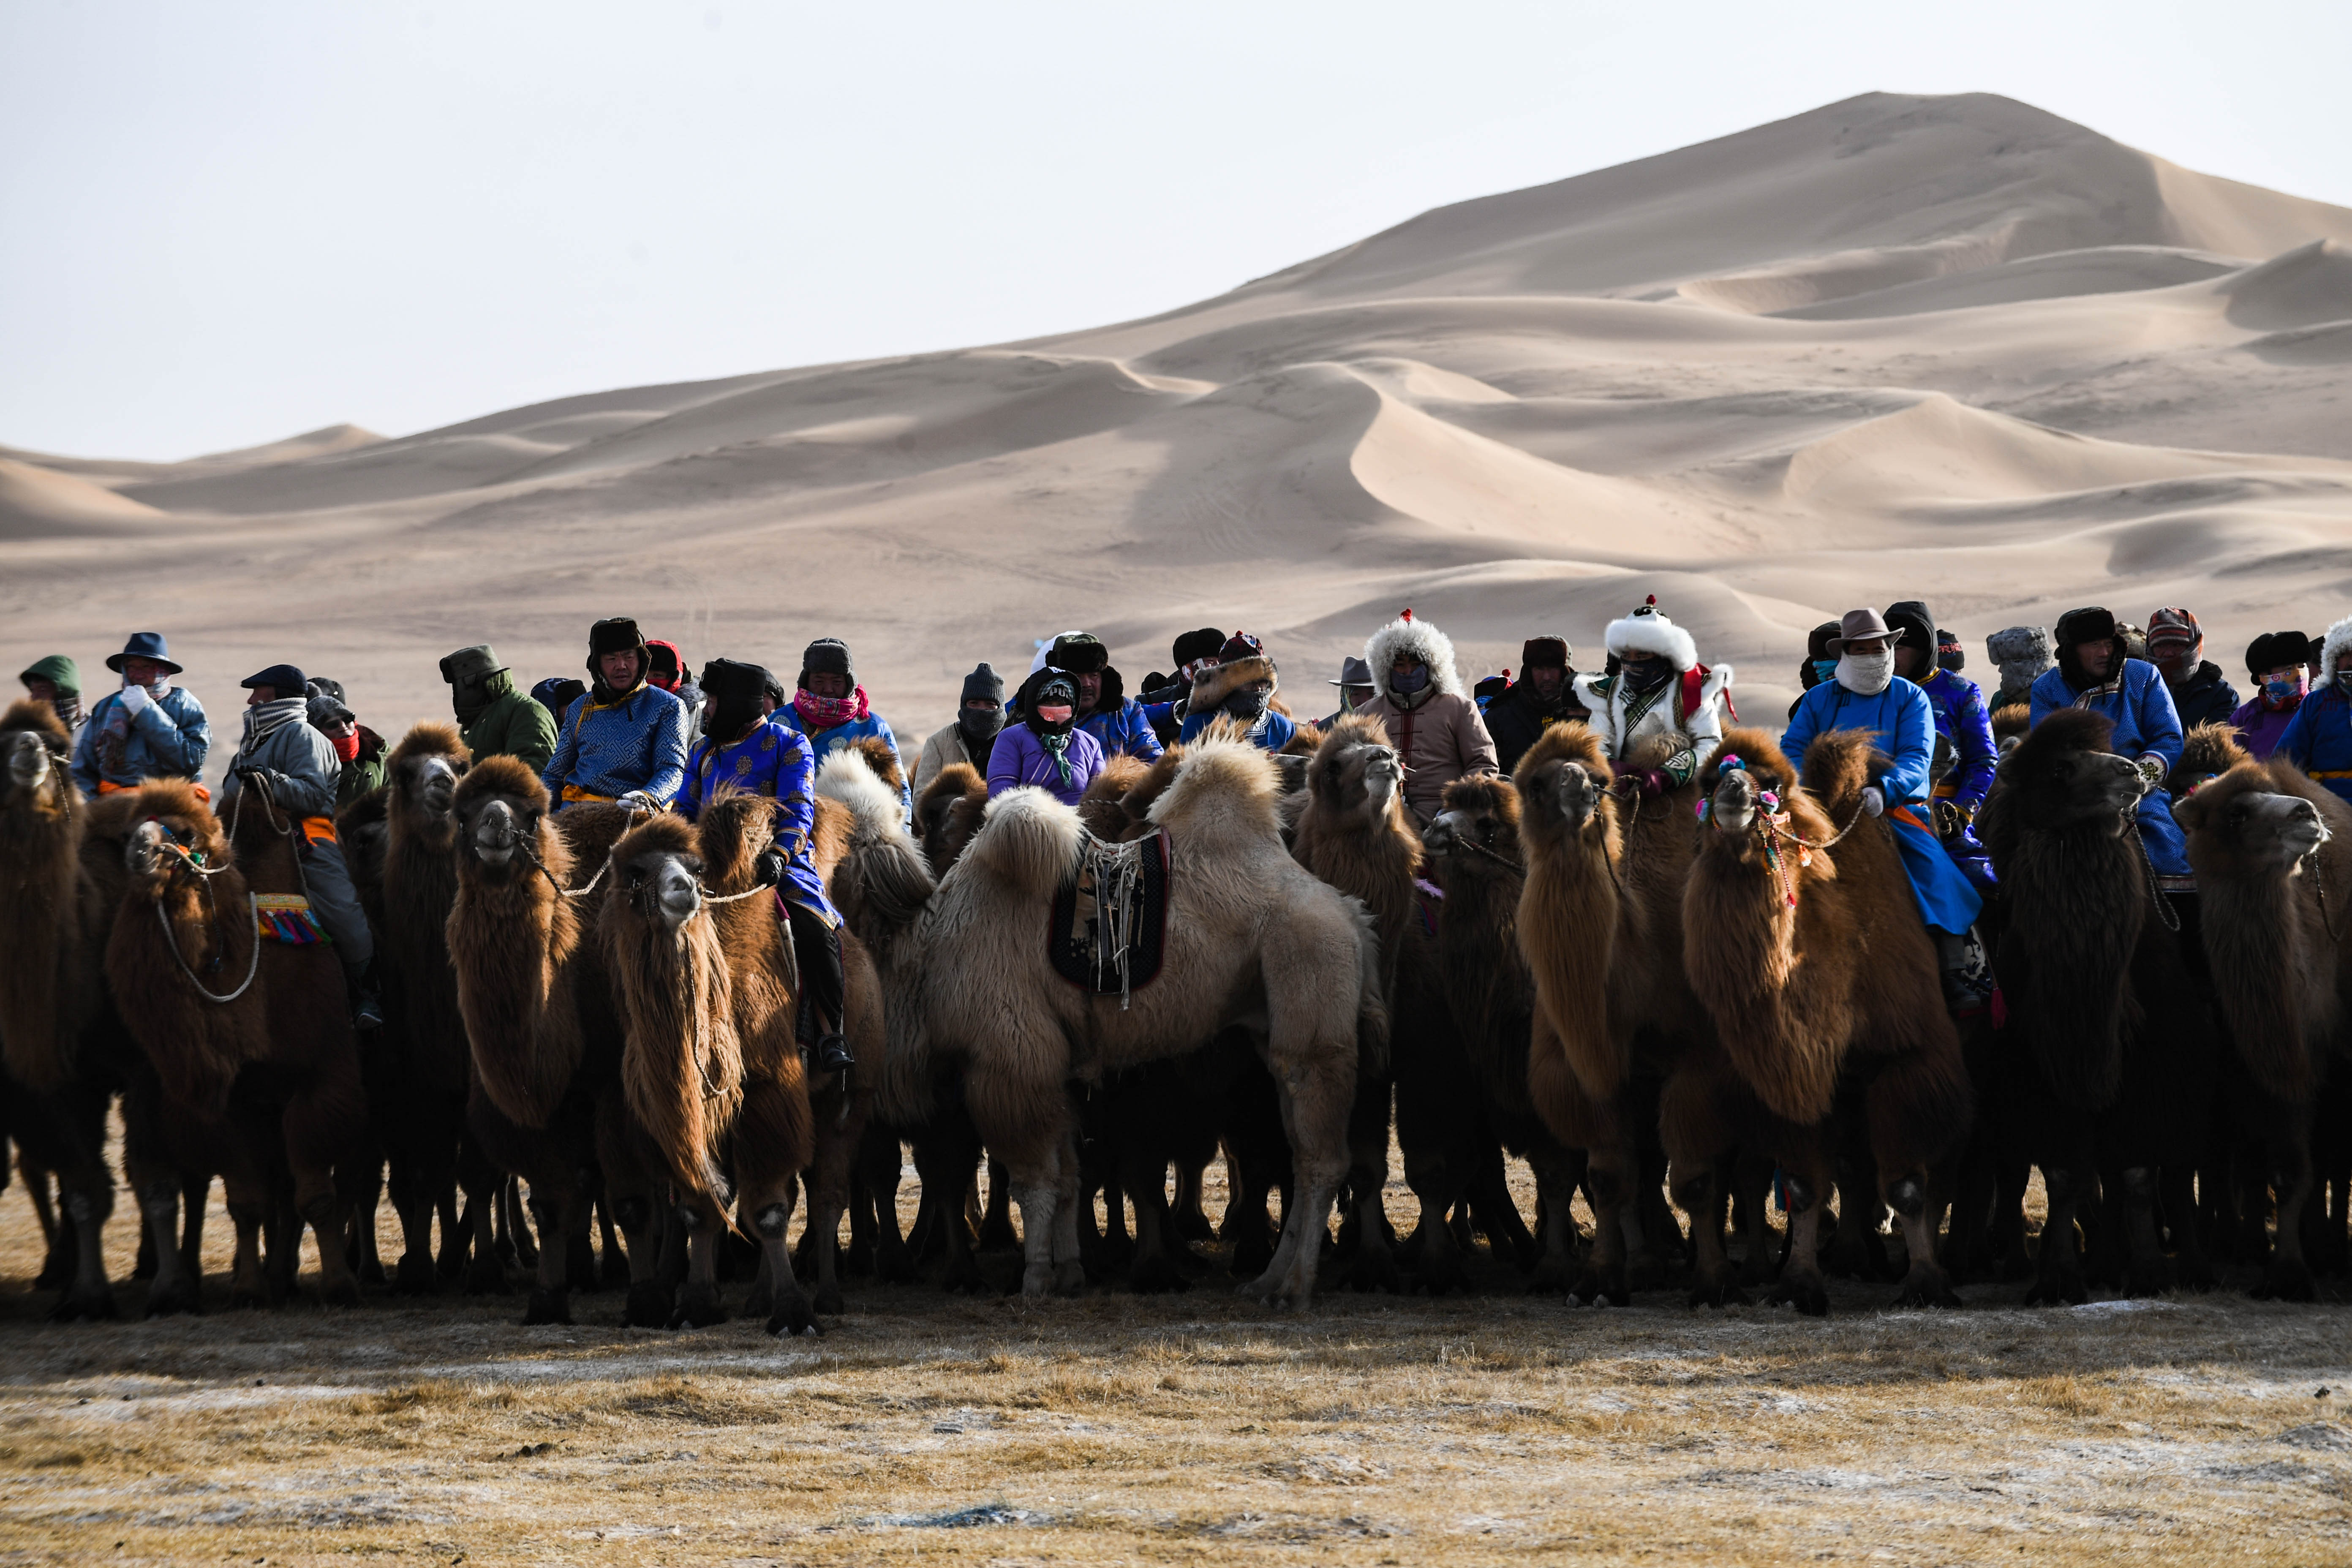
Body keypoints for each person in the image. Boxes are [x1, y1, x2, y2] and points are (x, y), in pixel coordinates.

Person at [1784, 610, 1986, 1009]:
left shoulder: (1910, 699)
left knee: (1934, 871)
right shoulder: (1817, 700)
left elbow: (1917, 757)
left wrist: (1885, 789)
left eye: (1880, 647)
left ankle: (1952, 973)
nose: (1874, 655)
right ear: (1846, 653)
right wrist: (1808, 793)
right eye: (1863, 649)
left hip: (1893, 809)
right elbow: (1792, 750)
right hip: (1823, 809)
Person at [679, 659, 852, 1072]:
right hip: (709, 867)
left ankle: (832, 1031)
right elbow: (684, 810)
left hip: (776, 865)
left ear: (738, 703)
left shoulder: (790, 743)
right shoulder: (703, 751)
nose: (707, 711)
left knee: (813, 929)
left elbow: (798, 810)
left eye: (714, 702)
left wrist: (779, 853)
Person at [218, 663, 382, 1028]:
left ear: (275, 696)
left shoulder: (304, 736)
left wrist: (269, 780)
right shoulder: (251, 744)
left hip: (305, 840)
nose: (250, 700)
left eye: (257, 693)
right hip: (252, 844)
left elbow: (313, 798)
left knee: (345, 916)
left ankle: (366, 993)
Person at [2029, 606, 2191, 879]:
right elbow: (2047, 751)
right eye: (2094, 645)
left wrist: (2138, 780)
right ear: (2072, 649)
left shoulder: (2144, 677)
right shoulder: (2047, 688)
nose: (2104, 653)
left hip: (2139, 789)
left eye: (2107, 644)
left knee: (2170, 857)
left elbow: (2168, 738)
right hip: (2073, 794)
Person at [1573, 596, 1732, 798]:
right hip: (1617, 790)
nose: (1632, 664)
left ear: (1664, 657)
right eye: (1627, 656)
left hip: (1680, 791)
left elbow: (1709, 743)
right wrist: (1617, 770)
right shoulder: (1607, 694)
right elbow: (1596, 744)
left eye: (1641, 657)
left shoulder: (1692, 692)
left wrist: (1664, 776)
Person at [1886, 600, 1996, 889]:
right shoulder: (1878, 693)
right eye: (1888, 646)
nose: (1892, 655)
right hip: (1883, 812)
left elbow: (1984, 761)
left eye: (1901, 647)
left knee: (1983, 884)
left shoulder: (1962, 692)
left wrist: (1962, 812)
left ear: (1924, 648)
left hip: (1945, 816)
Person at [1352, 610, 1500, 825]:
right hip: (1379, 820)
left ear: (1432, 664)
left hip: (1445, 820)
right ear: (1386, 667)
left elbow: (1483, 764)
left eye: (1416, 663)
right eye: (1399, 664)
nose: (1407, 671)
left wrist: (1456, 806)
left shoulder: (1460, 709)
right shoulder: (1365, 714)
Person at [541, 617, 689, 812]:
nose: (621, 665)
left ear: (641, 659)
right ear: (597, 665)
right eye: (611, 659)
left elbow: (672, 769)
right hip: (578, 814)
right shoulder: (580, 708)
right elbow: (554, 774)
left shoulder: (668, 706)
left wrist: (648, 797)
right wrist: (537, 810)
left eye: (629, 657)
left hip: (637, 814)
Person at [776, 637, 909, 822]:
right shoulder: (780, 723)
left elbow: (900, 792)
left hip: (856, 833)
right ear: (806, 681)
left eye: (837, 682)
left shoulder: (873, 727)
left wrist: (900, 836)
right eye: (819, 681)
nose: (828, 689)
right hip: (784, 826)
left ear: (849, 683)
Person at [71, 632, 210, 798]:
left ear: (162, 671)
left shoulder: (184, 703)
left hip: (175, 799)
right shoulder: (105, 708)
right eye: (132, 667)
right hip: (117, 803)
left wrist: (146, 711)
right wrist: (90, 805)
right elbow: (83, 767)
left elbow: (191, 761)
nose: (138, 674)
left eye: (146, 667)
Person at [990, 668, 1105, 806]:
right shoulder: (1012, 739)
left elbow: (1100, 797)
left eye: (1062, 704)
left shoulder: (1089, 744)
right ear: (1034, 704)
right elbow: (1001, 797)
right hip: (1025, 821)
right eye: (1049, 703)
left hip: (1079, 824)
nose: (1055, 709)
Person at [1044, 632, 1164, 763]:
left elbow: (1154, 761)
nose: (1086, 684)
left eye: (1093, 675)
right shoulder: (1036, 716)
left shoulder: (1127, 713)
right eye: (1078, 676)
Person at [443, 645, 559, 774]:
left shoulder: (526, 711)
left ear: (472, 682)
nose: (455, 695)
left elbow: (531, 777)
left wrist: (477, 789)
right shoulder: (474, 724)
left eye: (457, 686)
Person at [1484, 637, 1591, 775]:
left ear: (1564, 671)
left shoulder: (1584, 710)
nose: (1547, 677)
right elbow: (1487, 769)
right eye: (1539, 669)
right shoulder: (1499, 716)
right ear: (1529, 673)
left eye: (1553, 668)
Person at [2277, 615, 2352, 805]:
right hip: (2328, 809)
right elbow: (2285, 760)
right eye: (2345, 653)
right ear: (2333, 660)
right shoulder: (2318, 703)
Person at [1179, 633, 1297, 750]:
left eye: (1262, 681)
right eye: (1250, 681)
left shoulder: (1283, 728)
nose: (1258, 688)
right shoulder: (1199, 724)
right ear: (1229, 683)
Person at [912, 662, 1007, 797]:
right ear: (964, 704)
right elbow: (921, 798)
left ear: (1000, 708)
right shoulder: (939, 743)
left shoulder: (1015, 743)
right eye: (974, 704)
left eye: (990, 705)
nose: (981, 710)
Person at [2146, 608, 2239, 730]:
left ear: (2194, 646)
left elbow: (2216, 744)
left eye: (2177, 645)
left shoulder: (2221, 694)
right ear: (2150, 648)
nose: (2168, 653)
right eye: (2160, 645)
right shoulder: (2136, 689)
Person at [2229, 630, 2310, 760]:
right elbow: (2230, 761)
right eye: (2288, 669)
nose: (2299, 675)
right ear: (2264, 676)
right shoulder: (2244, 717)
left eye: (2302, 666)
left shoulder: (2317, 708)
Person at [1139, 628, 1227, 745]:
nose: (1218, 667)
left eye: (1221, 662)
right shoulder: (1150, 702)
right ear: (1187, 668)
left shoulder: (1236, 699)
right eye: (1210, 662)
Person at [308, 688, 387, 808]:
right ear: (317, 732)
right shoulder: (307, 766)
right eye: (332, 725)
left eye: (348, 719)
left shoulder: (379, 757)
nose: (343, 727)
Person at [1984, 626, 2053, 713]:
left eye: (2004, 665)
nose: (2000, 670)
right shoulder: (2000, 699)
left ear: (2022, 667)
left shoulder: (2056, 697)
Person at [645, 638, 702, 739]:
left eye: (657, 675)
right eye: (645, 676)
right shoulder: (627, 708)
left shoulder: (698, 711)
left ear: (674, 678)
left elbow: (697, 750)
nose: (649, 681)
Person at [18, 655, 82, 733]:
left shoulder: (93, 731)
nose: (34, 698)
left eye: (43, 690)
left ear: (64, 695)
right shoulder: (27, 736)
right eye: (32, 690)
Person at [1317, 656, 1376, 727]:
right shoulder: (1324, 731)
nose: (1365, 701)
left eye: (1371, 694)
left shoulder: (1390, 726)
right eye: (1356, 694)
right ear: (1345, 697)